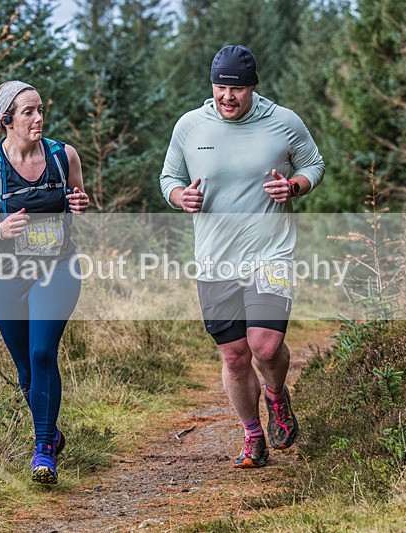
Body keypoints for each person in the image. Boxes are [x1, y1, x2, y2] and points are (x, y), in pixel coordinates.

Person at [159, 45, 324, 468]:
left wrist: (295, 186)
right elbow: (169, 177)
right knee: (234, 356)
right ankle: (252, 435)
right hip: (215, 259)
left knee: (265, 347)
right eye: (220, 87)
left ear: (252, 87)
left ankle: (277, 397)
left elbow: (313, 164)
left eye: (236, 89)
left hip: (271, 253)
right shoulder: (190, 126)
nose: (227, 97)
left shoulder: (284, 122)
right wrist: (180, 197)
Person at [0, 80, 89, 484]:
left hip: (57, 269)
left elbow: (77, 201)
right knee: (26, 370)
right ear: (6, 120)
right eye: (29, 112)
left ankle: (43, 450)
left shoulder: (64, 156)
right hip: (5, 275)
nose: (39, 118)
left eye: (40, 109)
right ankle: (53, 433)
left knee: (43, 351)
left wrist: (79, 204)